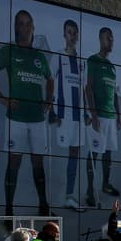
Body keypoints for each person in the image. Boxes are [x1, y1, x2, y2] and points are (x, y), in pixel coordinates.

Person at [0, 10, 55, 216]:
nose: (25, 28)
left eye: (29, 24)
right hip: (16, 119)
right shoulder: (8, 51)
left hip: (37, 119)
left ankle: (43, 206)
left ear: (33, 28)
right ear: (16, 27)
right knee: (14, 163)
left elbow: (50, 79)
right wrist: (3, 99)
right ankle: (8, 209)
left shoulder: (39, 56)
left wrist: (49, 98)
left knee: (38, 163)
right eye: (21, 24)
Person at [84, 26, 121, 208]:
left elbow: (115, 93)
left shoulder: (112, 67)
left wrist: (119, 116)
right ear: (101, 40)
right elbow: (88, 87)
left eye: (112, 38)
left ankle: (106, 184)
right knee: (95, 152)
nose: (111, 41)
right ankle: (89, 191)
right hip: (98, 115)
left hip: (111, 116)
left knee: (108, 153)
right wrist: (93, 113)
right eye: (108, 38)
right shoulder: (93, 61)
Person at [51, 19, 86, 211]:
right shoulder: (57, 57)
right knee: (59, 154)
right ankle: (54, 196)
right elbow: (50, 83)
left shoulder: (81, 62)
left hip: (77, 117)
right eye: (69, 32)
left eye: (75, 33)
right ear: (65, 35)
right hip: (62, 116)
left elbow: (83, 89)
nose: (72, 36)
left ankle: (69, 195)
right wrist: (51, 110)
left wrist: (87, 113)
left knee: (74, 154)